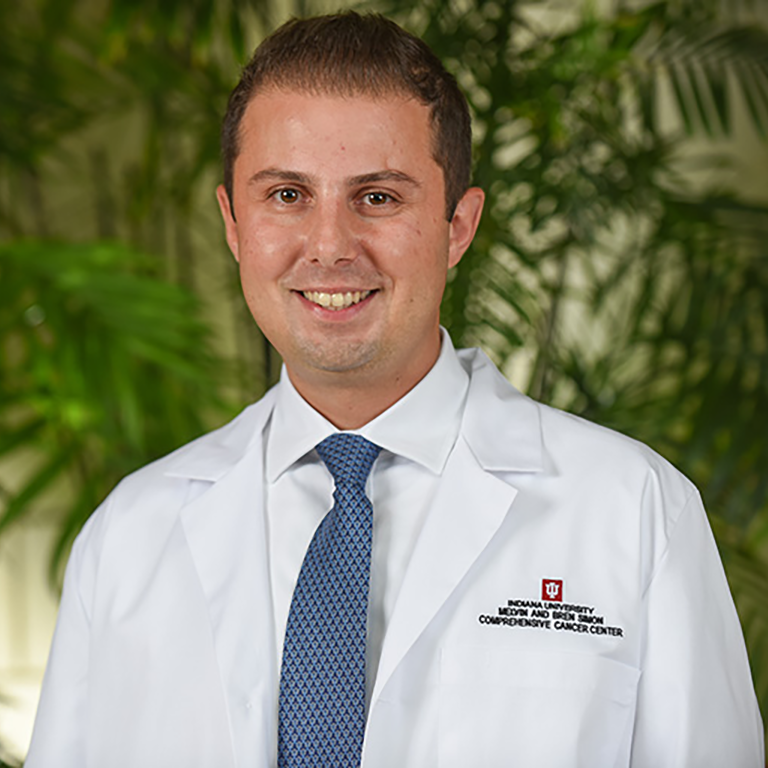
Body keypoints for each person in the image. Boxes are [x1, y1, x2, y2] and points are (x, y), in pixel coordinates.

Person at [26, 12, 764, 768]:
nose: (330, 247)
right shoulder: (128, 538)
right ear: (234, 224)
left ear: (458, 226)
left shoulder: (634, 512)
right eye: (287, 194)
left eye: (377, 197)